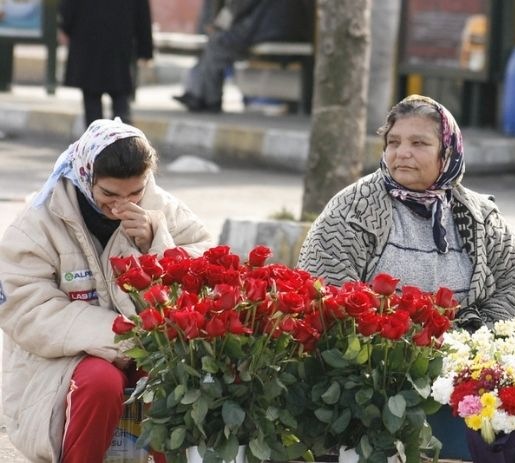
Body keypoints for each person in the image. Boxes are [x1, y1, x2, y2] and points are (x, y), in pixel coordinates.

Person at [0, 119, 214, 462]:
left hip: (151, 346)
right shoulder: (39, 221)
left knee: (170, 380)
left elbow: (206, 264)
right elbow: (23, 306)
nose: (120, 206)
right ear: (87, 178)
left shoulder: (163, 207)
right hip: (64, 358)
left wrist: (155, 241)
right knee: (100, 383)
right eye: (109, 195)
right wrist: (121, 337)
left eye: (135, 193)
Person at [297, 94, 515, 330]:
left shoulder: (481, 216)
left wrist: (469, 339)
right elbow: (325, 289)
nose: (402, 152)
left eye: (419, 143)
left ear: (447, 152)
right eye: (393, 142)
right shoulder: (353, 209)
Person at [173, 0, 315, 113]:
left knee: (217, 43)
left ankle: (208, 99)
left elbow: (238, 7)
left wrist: (218, 25)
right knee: (217, 43)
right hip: (282, 29)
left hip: (265, 30)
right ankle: (199, 95)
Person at [58, 0, 153, 128]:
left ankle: (96, 142)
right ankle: (124, 143)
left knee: (92, 100)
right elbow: (142, 13)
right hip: (119, 44)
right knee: (120, 96)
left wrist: (65, 26)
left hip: (88, 44)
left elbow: (69, 7)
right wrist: (145, 48)